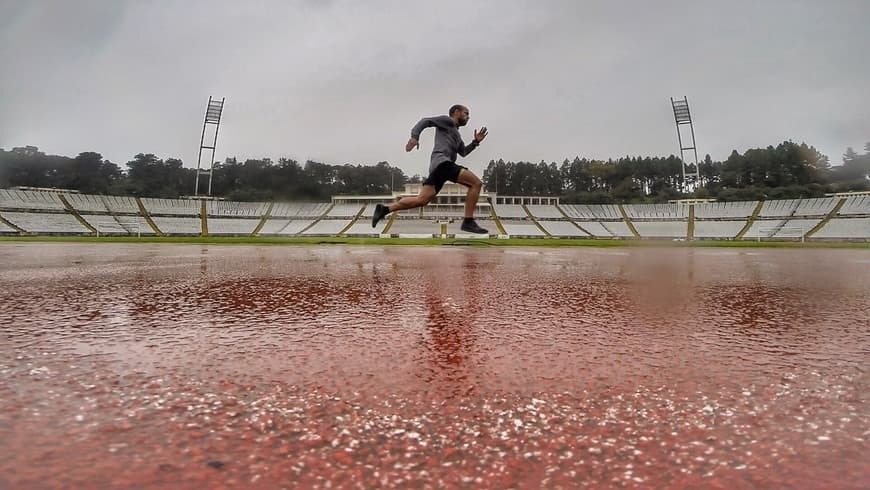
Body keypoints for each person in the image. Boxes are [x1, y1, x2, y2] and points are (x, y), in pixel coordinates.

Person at [372, 104, 489, 234]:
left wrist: (475, 142)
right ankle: (468, 221)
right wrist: (414, 137)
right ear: (456, 112)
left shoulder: (457, 135)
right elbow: (426, 121)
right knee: (476, 183)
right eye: (466, 113)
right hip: (442, 163)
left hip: (438, 168)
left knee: (421, 200)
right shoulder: (448, 121)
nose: (468, 117)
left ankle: (385, 209)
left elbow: (463, 152)